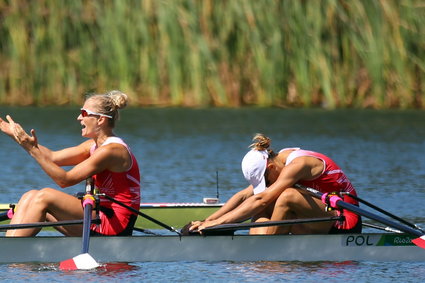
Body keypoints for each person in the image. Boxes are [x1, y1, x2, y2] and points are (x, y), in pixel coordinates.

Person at [0, 90, 141, 237]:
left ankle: (11, 252)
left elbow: (65, 180)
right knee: (30, 195)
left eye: (84, 113)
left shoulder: (112, 150)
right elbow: (52, 157)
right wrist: (16, 136)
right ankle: (11, 247)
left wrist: (32, 149)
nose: (79, 117)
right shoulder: (92, 146)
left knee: (44, 196)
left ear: (100, 119)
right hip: (97, 214)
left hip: (114, 224)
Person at [190, 133, 361, 235]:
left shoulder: (298, 165)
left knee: (286, 196)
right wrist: (208, 220)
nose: (267, 184)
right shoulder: (279, 161)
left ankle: (268, 249)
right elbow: (244, 195)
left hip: (344, 221)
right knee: (260, 203)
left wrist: (219, 224)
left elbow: (261, 199)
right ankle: (258, 244)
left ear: (270, 167)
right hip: (321, 215)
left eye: (266, 180)